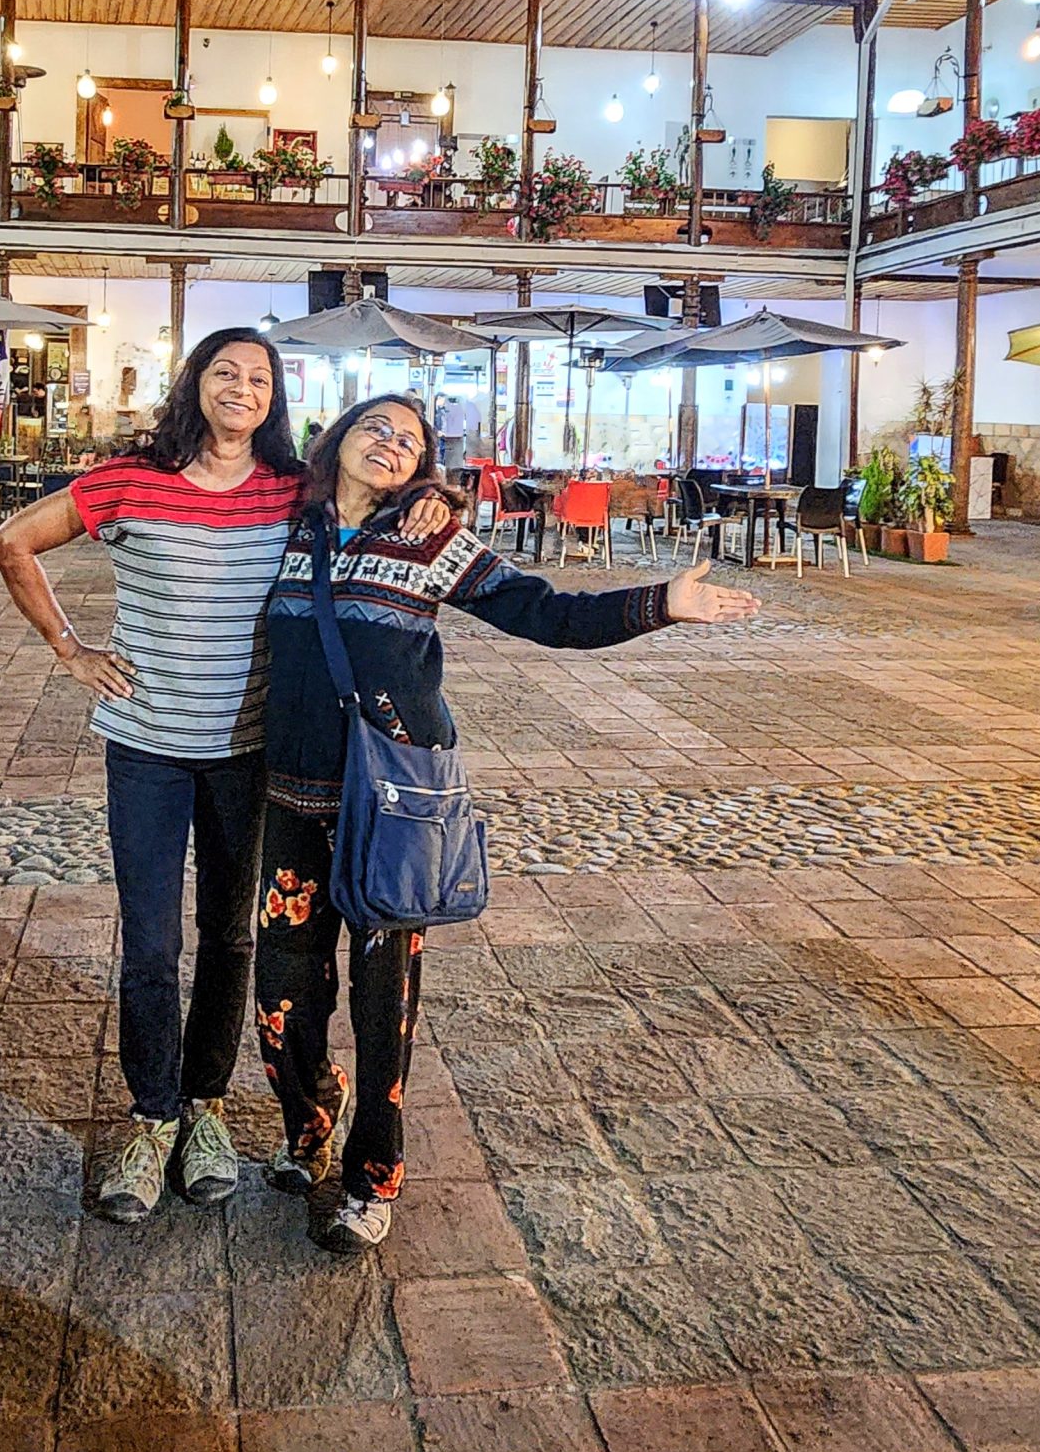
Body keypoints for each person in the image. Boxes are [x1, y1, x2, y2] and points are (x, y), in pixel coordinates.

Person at [256, 392, 760, 1254]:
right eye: (376, 427)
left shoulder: (428, 536)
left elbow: (544, 612)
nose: (390, 444)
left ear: (422, 468)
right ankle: (308, 1122)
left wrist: (661, 604)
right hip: (291, 803)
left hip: (394, 809)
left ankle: (373, 1175)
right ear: (334, 440)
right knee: (282, 998)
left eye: (410, 442)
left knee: (386, 1007)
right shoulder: (280, 526)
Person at [0, 328, 446, 1227]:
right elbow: (13, 543)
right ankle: (152, 1116)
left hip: (250, 755)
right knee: (152, 944)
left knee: (231, 940)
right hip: (147, 747)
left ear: (276, 400)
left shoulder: (291, 494)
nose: (242, 389)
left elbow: (380, 498)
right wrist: (68, 649)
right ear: (195, 383)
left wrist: (438, 497)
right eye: (226, 373)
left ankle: (203, 1109)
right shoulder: (128, 479)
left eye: (260, 379)